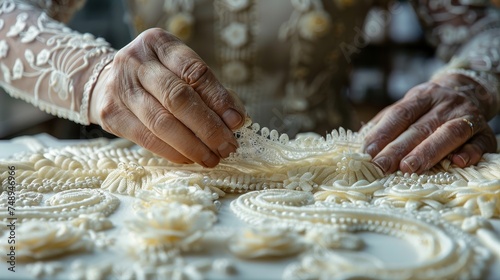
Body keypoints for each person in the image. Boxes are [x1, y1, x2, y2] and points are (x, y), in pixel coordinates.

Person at [0, 0, 498, 174]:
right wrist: (93, 74)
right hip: (156, 180)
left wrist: (469, 82)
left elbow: (482, 30)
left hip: (335, 174)